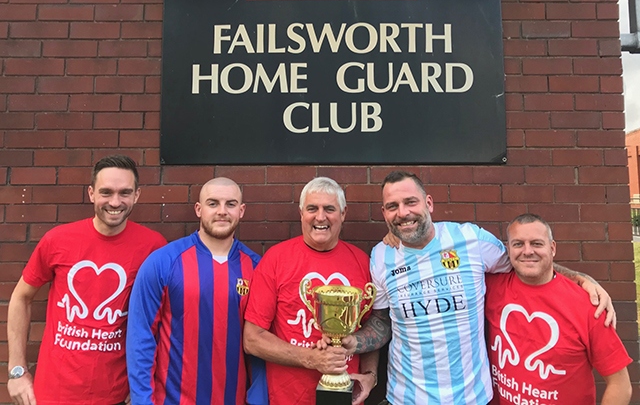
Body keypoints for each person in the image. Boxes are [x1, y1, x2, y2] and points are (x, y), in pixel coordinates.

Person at [341, 170, 615, 405]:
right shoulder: (380, 257)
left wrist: (579, 279)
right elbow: (382, 322)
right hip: (408, 398)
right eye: (393, 206)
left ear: (428, 203)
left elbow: (526, 264)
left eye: (410, 202)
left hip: (473, 397)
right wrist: (355, 342)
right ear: (384, 213)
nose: (403, 212)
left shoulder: (471, 239)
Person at [7, 155, 167, 405]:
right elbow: (21, 297)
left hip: (116, 393)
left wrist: (142, 381)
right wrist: (17, 370)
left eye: (125, 192)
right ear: (91, 193)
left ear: (137, 195)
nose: (115, 202)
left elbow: (161, 318)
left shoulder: (153, 246)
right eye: (106, 192)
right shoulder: (58, 240)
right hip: (54, 393)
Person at [126, 177, 268, 405]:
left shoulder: (257, 268)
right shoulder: (163, 262)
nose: (222, 211)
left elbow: (261, 345)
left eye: (230, 204)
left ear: (241, 211)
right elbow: (140, 337)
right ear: (198, 210)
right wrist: (142, 400)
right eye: (213, 204)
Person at [243, 177, 379, 405]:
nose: (320, 217)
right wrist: (311, 359)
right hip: (288, 398)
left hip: (346, 398)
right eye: (312, 209)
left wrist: (370, 377)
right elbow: (252, 339)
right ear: (301, 213)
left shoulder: (362, 262)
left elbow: (370, 328)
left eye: (329, 209)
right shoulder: (276, 260)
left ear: (343, 213)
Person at [486, 214, 632, 405]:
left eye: (537, 244)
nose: (527, 251)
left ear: (552, 248)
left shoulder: (587, 305)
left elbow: (620, 384)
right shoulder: (490, 288)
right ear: (509, 249)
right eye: (518, 244)